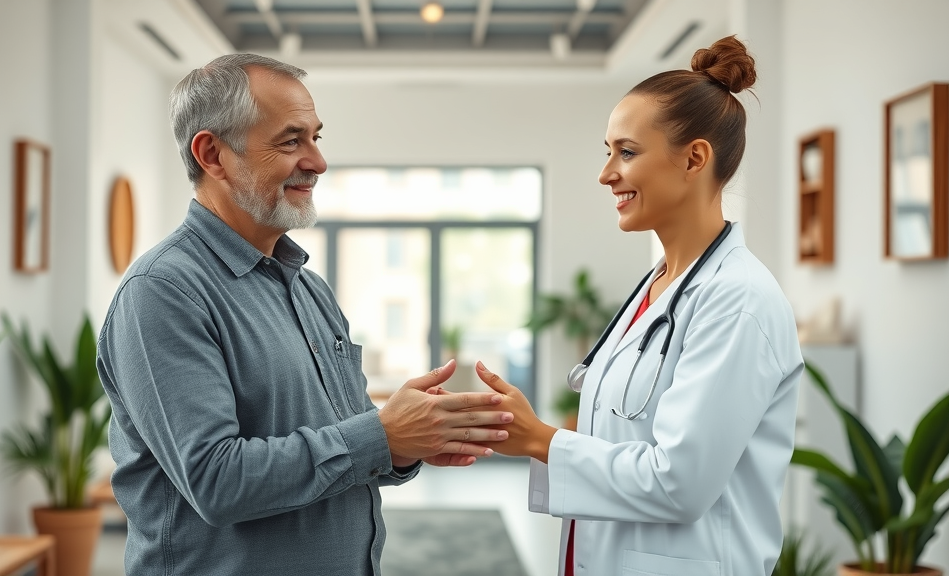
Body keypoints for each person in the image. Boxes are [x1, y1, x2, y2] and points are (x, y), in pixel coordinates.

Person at [95, 54, 513, 576]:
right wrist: (382, 435)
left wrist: (408, 445)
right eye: (291, 141)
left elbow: (341, 452)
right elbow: (216, 481)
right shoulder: (162, 293)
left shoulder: (309, 289)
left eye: (316, 138)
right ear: (213, 154)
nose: (317, 161)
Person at [473, 36, 803, 576]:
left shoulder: (738, 301)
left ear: (695, 158)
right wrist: (525, 431)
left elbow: (679, 483)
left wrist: (541, 439)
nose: (606, 174)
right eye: (608, 152)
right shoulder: (658, 289)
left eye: (626, 152)